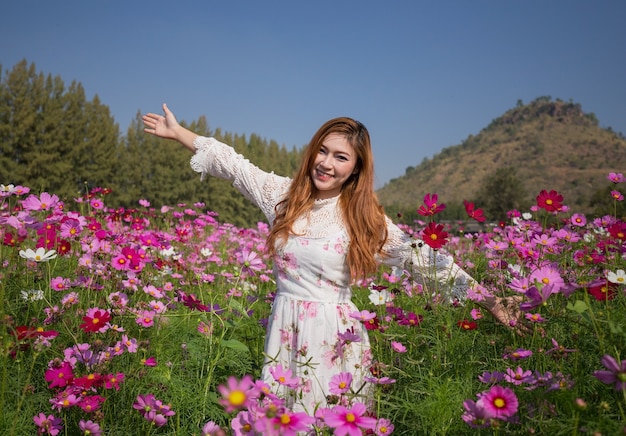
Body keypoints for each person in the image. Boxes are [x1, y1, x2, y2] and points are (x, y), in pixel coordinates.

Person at [142, 104, 526, 413]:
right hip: (284, 329)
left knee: (324, 420)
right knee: (280, 420)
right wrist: (179, 133)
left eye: (340, 157)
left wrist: (489, 302)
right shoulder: (284, 196)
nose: (326, 163)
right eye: (322, 151)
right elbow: (233, 164)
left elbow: (424, 260)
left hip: (334, 339)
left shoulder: (363, 218)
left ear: (356, 167)